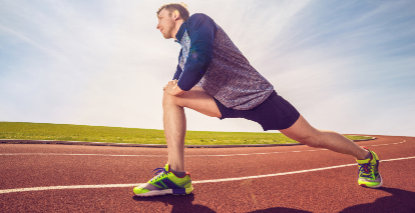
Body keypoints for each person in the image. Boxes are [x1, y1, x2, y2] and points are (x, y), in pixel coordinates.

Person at [133, 3, 382, 197]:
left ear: (175, 15)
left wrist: (181, 86)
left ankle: (365, 157)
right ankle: (177, 176)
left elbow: (200, 58)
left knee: (312, 137)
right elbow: (180, 81)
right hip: (222, 101)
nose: (157, 26)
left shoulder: (198, 21)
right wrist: (176, 86)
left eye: (159, 19)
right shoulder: (182, 53)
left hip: (257, 97)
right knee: (170, 97)